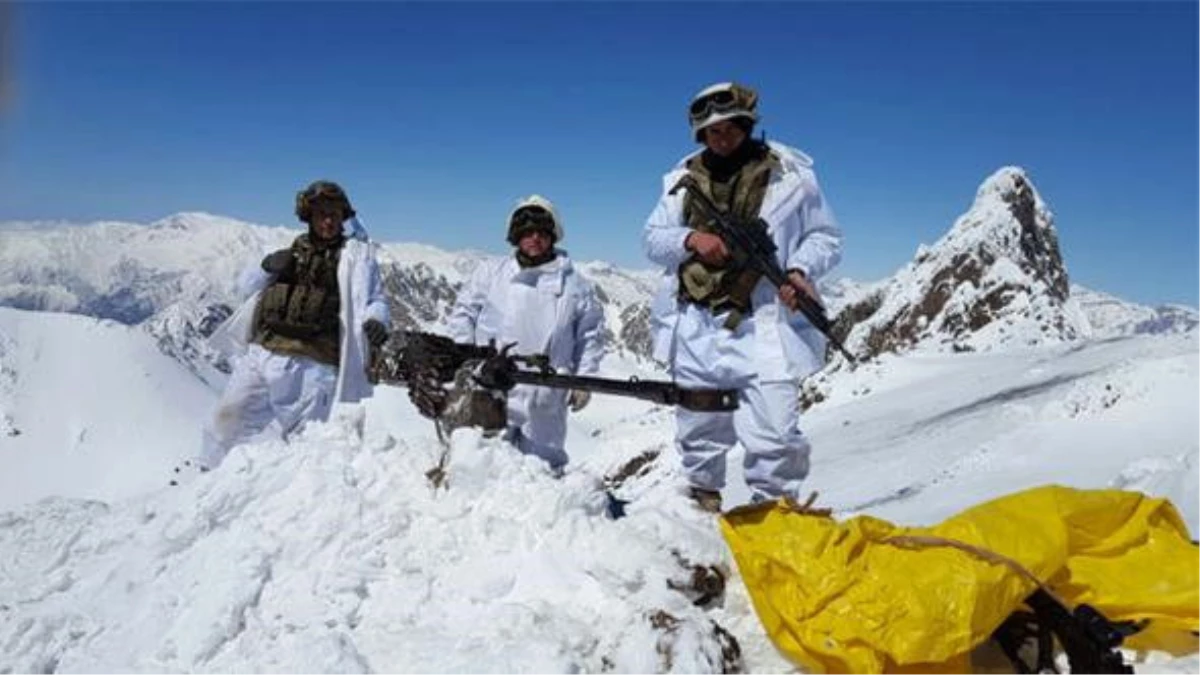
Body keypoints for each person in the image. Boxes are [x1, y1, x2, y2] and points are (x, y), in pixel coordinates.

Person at [642, 82, 843, 512]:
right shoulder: (682, 179)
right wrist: (693, 239)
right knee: (698, 426)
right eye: (712, 131)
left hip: (764, 320)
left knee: (776, 433)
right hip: (696, 321)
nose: (722, 137)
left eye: (731, 127)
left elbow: (825, 237)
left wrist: (799, 270)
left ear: (747, 124)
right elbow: (653, 240)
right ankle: (701, 509)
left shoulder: (792, 176)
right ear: (701, 134)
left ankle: (774, 521)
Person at [179, 180, 391, 480]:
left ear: (343, 217)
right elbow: (244, 288)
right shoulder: (291, 252)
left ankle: (298, 499)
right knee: (227, 418)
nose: (328, 221)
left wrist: (376, 321)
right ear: (309, 217)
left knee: (305, 439)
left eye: (333, 214)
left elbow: (375, 299)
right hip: (263, 351)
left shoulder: (356, 258)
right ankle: (204, 476)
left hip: (313, 364)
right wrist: (265, 266)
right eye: (320, 214)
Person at [447, 195, 605, 471]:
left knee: (542, 471)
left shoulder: (576, 285)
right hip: (490, 385)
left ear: (553, 236)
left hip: (546, 392)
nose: (535, 238)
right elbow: (463, 313)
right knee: (483, 462)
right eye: (527, 232)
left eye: (542, 233)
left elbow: (589, 336)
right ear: (515, 236)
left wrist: (584, 380)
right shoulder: (490, 273)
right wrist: (465, 358)